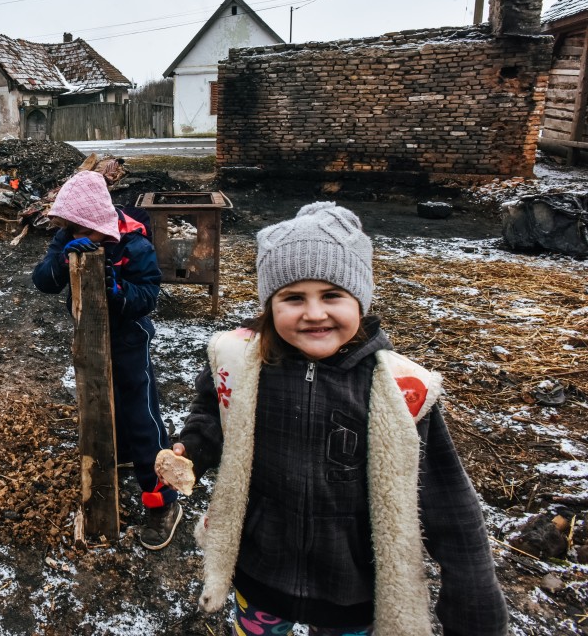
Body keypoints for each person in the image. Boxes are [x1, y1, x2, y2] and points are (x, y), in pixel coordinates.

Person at [173, 202, 507, 635]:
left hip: (352, 589)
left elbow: (450, 505)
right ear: (270, 305)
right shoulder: (244, 365)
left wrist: (473, 604)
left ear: (360, 299)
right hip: (260, 571)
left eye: (332, 295)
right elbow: (213, 414)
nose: (314, 313)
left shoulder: (401, 390)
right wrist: (194, 449)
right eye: (293, 298)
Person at [32, 170, 181, 550]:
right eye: (69, 227)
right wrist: (64, 260)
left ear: (98, 219)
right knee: (101, 405)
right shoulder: (67, 238)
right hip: (90, 339)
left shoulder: (134, 245)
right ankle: (122, 456)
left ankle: (161, 500)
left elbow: (147, 296)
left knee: (141, 415)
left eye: (79, 226)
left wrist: (115, 286)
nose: (71, 231)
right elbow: (43, 281)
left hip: (129, 340)